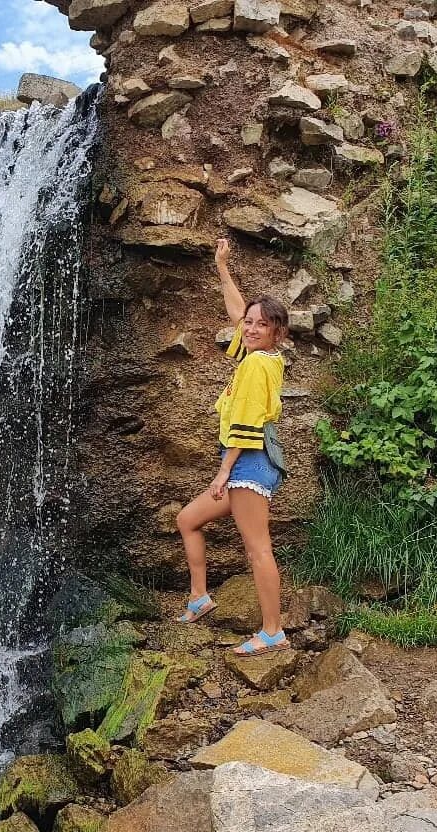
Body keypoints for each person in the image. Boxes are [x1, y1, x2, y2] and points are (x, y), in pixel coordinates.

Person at [174, 238, 289, 656]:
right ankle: (199, 597)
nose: (251, 327)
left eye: (261, 324)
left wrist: (224, 471)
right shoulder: (256, 356)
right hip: (241, 464)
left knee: (258, 548)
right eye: (250, 323)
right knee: (188, 520)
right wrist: (222, 267)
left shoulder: (259, 363)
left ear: (278, 332)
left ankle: (272, 630)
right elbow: (236, 312)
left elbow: (248, 422)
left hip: (248, 464)